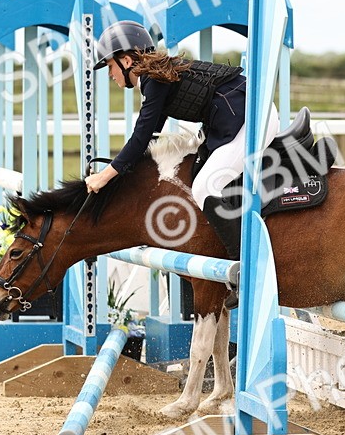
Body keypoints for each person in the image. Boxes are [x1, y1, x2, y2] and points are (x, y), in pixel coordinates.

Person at [84, 20, 278, 270]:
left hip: (253, 118)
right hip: (239, 117)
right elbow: (150, 138)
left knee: (205, 187)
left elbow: (140, 137)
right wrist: (121, 175)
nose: (110, 74)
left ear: (127, 60)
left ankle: (246, 268)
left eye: (110, 66)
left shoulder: (154, 80)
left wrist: (104, 177)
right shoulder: (155, 78)